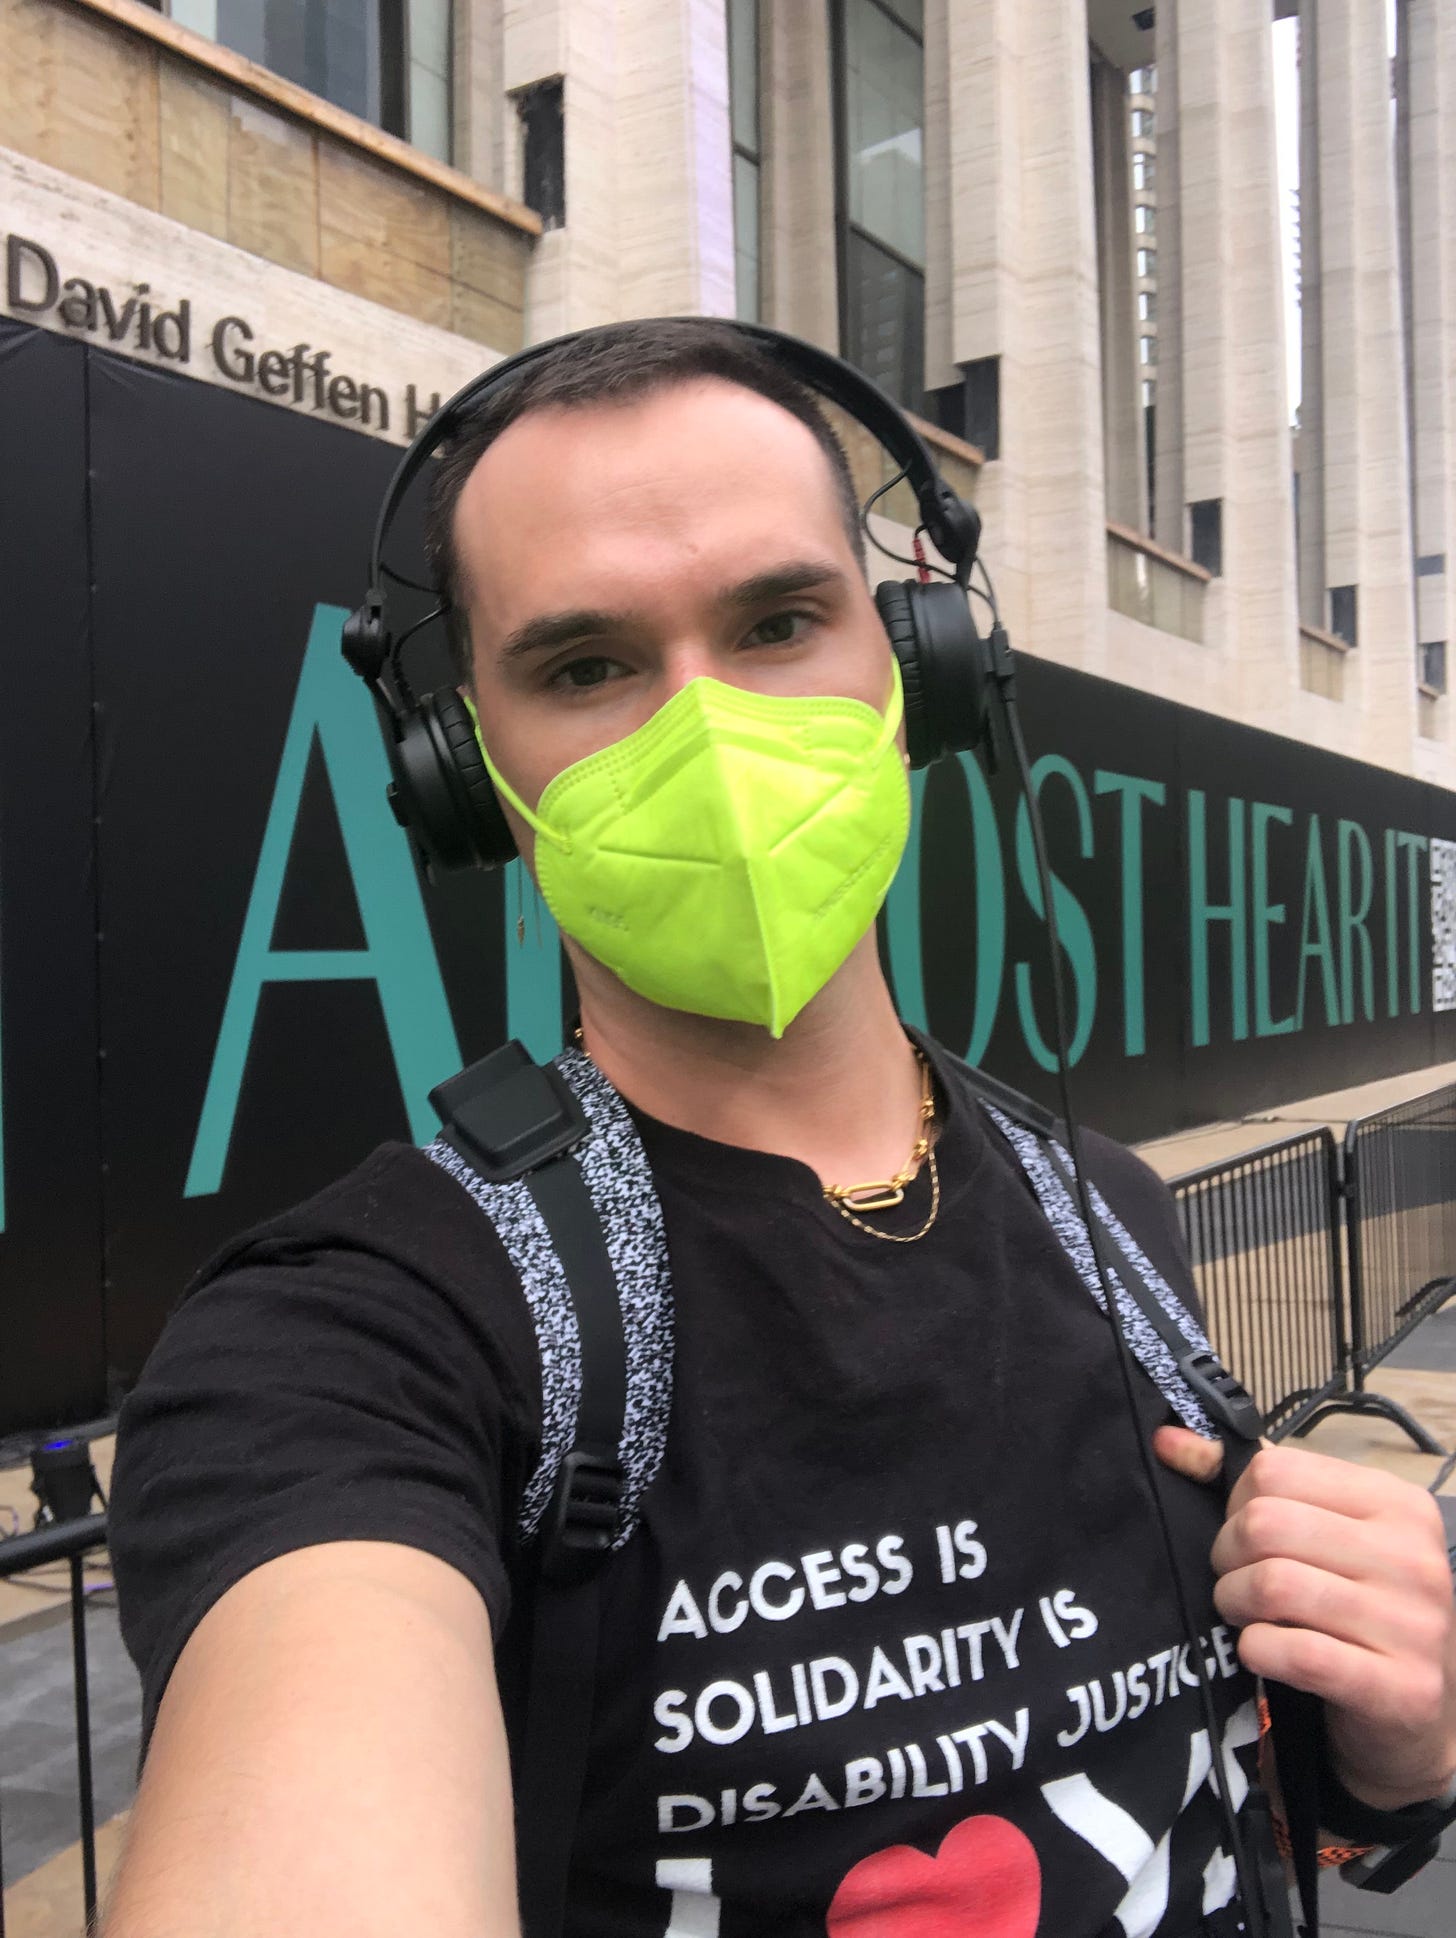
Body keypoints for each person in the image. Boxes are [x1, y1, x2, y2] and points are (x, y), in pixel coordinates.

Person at [104, 320, 1456, 1938]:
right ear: (469, 772)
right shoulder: (362, 1332)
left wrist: (1398, 1746)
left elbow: (1257, 1805)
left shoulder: (1108, 1209)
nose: (706, 728)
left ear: (919, 672)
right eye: (587, 664)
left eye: (777, 620)